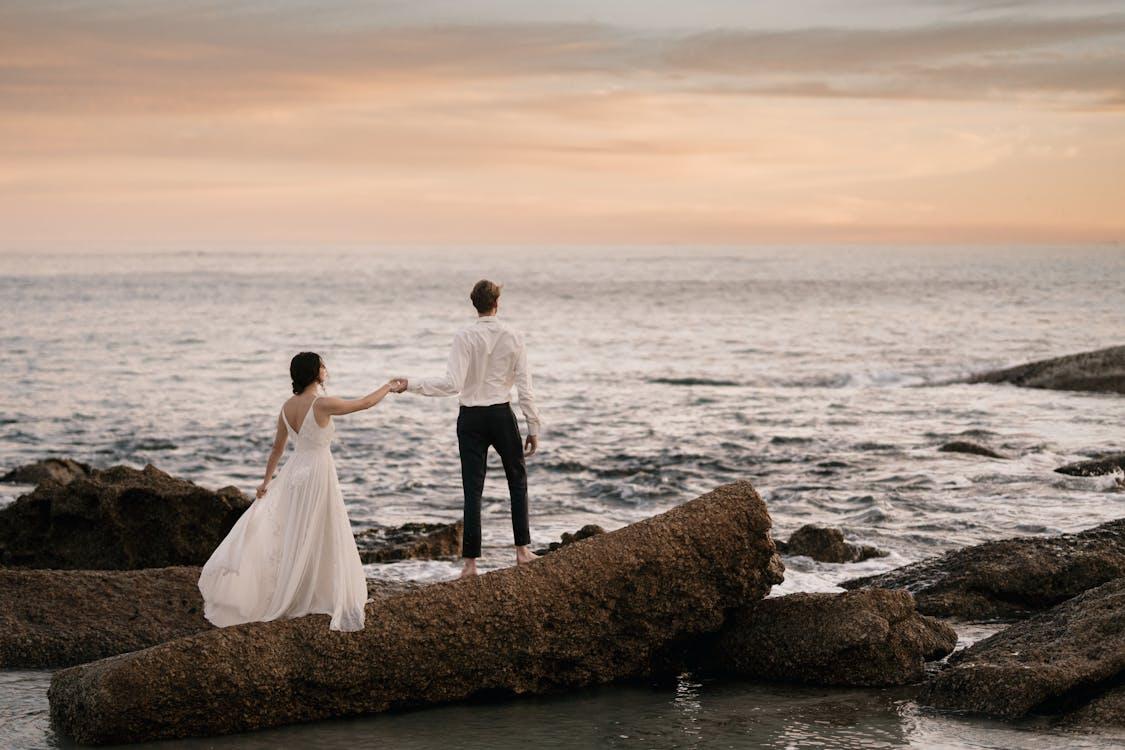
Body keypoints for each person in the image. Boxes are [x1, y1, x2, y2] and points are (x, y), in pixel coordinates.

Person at [198, 352, 406, 632]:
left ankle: (299, 586)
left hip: (295, 472)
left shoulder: (287, 407)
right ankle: (314, 591)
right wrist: (389, 386)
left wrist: (265, 481)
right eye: (322, 365)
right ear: (314, 372)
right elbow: (365, 404)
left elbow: (277, 449)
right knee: (320, 529)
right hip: (317, 472)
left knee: (296, 530)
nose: (325, 369)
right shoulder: (321, 404)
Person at [402, 280, 541, 578]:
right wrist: (533, 426)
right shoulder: (514, 335)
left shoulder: (464, 336)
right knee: (517, 481)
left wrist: (411, 385)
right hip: (502, 416)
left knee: (472, 490)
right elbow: (525, 387)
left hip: (471, 419)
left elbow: (452, 384)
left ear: (474, 304)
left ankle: (470, 565)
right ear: (497, 303)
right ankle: (522, 552)